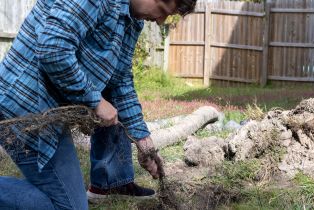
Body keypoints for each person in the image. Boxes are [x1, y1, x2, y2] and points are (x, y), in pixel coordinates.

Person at [0, 0, 195, 209]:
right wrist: (96, 101)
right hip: (23, 106)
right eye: (163, 11)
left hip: (49, 117)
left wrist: (143, 140)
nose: (160, 21)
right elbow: (53, 49)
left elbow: (120, 81)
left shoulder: (132, 21)